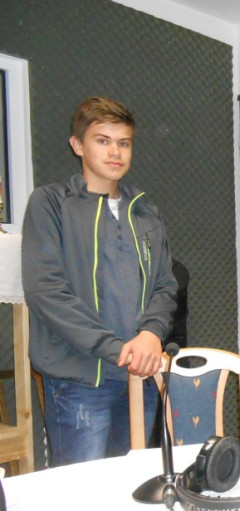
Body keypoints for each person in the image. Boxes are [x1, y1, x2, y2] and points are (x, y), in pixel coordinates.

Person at [22, 96, 177, 466]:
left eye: (124, 143)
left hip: (140, 378)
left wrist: (151, 334)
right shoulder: (51, 204)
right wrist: (114, 349)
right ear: (78, 145)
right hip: (80, 381)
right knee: (81, 494)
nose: (115, 152)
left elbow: (165, 285)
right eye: (103, 140)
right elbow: (46, 291)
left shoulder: (146, 213)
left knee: (130, 487)